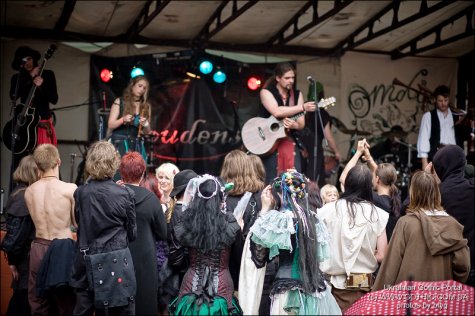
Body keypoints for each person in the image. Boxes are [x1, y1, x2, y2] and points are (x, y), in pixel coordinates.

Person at [240, 169, 341, 315]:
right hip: (314, 292)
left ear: (282, 193)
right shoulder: (314, 220)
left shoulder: (279, 220)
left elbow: (257, 255)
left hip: (286, 292)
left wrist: (264, 210)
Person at [373, 171, 470, 290]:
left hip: (408, 299)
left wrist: (379, 295)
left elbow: (390, 268)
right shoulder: (453, 225)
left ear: (412, 193)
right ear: (437, 193)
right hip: (441, 298)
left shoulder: (405, 223)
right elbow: (463, 266)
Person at [71, 140, 137, 315]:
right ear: (114, 163)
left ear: (90, 163)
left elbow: (79, 223)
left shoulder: (81, 193)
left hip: (87, 260)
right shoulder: (125, 194)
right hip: (116, 261)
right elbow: (132, 233)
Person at [169, 174, 242, 315]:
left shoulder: (186, 224)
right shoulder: (231, 225)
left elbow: (176, 258)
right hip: (222, 292)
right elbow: (237, 260)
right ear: (221, 200)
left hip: (190, 291)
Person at [320, 163, 388, 313]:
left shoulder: (328, 210)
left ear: (348, 183)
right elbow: (382, 255)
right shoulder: (378, 214)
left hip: (334, 286)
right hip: (363, 285)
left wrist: (338, 257)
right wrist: (362, 257)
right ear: (369, 186)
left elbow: (318, 246)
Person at [24, 144, 77, 315]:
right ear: (59, 161)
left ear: (38, 166)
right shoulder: (70, 189)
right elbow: (77, 224)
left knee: (38, 303)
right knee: (66, 303)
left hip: (38, 248)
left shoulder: (29, 192)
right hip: (62, 247)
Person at [119, 152, 167, 316]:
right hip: (145, 258)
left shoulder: (114, 196)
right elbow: (162, 232)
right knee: (145, 301)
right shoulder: (151, 199)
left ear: (122, 172)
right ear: (142, 173)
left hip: (119, 255)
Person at [7, 46, 59, 188]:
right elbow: (13, 95)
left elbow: (54, 99)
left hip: (41, 123)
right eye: (23, 61)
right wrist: (30, 79)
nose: (27, 63)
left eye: (29, 59)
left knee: (44, 161)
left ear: (34, 58)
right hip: (25, 126)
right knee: (22, 160)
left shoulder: (48, 74)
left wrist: (41, 85)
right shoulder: (18, 78)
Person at [258, 62, 318, 184]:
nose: (291, 81)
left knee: (294, 180)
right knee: (269, 179)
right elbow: (277, 111)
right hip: (268, 141)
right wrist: (302, 107)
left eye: (293, 77)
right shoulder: (266, 92)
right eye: (287, 78)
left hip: (288, 141)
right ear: (278, 78)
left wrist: (293, 125)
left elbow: (301, 124)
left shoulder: (297, 94)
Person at [340, 139, 401, 241]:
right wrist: (368, 157)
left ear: (377, 179)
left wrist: (358, 153)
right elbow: (382, 173)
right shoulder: (395, 195)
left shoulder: (374, 198)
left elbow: (344, 179)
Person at [431, 144, 475, 286]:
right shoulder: (471, 187)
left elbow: (406, 208)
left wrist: (427, 176)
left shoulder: (435, 194)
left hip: (446, 268)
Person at [3, 155, 39, 316]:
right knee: (22, 303)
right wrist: (12, 261)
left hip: (23, 259)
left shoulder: (19, 193)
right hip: (24, 260)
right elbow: (15, 235)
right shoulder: (23, 198)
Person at [160, 169, 198, 312]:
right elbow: (176, 254)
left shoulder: (178, 210)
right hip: (179, 277)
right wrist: (186, 269)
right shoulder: (181, 212)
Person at [417, 85, 464, 170]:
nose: (443, 103)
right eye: (440, 101)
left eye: (445, 100)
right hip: (437, 157)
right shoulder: (429, 116)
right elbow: (423, 140)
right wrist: (425, 163)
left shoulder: (457, 116)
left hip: (455, 157)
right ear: (435, 100)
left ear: (449, 99)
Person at [108, 75, 152, 159]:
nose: (141, 89)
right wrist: (122, 120)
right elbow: (110, 124)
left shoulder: (146, 106)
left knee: (135, 170)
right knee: (119, 170)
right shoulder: (119, 101)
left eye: (144, 88)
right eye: (139, 86)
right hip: (119, 143)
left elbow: (148, 133)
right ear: (132, 85)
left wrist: (146, 124)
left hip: (136, 144)